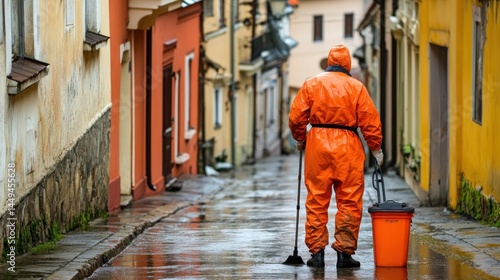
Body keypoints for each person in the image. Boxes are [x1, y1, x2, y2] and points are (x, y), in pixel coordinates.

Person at [288, 45, 383, 268]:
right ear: (348, 64)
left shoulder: (311, 84)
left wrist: (300, 138)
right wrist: (375, 148)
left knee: (316, 199)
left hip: (318, 144)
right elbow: (370, 121)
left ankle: (317, 252)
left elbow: (296, 117)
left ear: (329, 61)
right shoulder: (357, 87)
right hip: (347, 146)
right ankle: (344, 254)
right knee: (349, 200)